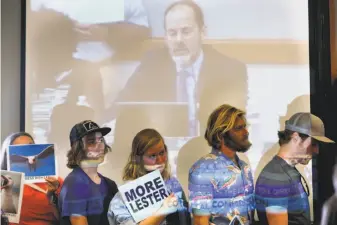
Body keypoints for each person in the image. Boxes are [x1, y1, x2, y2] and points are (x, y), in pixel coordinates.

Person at [110, 1, 247, 135]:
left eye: (186, 31)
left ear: (202, 32)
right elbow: (122, 105)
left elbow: (235, 122)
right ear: (166, 37)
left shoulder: (229, 69)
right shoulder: (152, 64)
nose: (178, 40)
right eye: (172, 33)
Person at [255, 112, 335, 225]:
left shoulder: (286, 170)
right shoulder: (276, 178)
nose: (316, 151)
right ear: (296, 138)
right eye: (313, 144)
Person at [108, 128, 191, 225]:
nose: (160, 160)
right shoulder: (124, 196)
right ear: (138, 159)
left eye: (161, 152)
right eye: (152, 156)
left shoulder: (172, 183)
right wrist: (162, 212)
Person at [188, 104, 255, 225]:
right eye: (239, 128)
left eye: (245, 127)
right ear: (220, 135)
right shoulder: (203, 169)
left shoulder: (245, 167)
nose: (246, 132)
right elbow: (200, 221)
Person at [58, 120, 118, 225]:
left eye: (101, 140)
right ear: (78, 148)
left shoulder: (110, 184)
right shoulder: (75, 184)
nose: (99, 146)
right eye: (91, 142)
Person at [0, 132, 62, 225]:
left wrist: (52, 196)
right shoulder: (4, 181)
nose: (26, 150)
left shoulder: (55, 182)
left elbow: (65, 218)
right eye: (19, 149)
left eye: (30, 146)